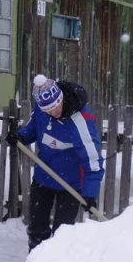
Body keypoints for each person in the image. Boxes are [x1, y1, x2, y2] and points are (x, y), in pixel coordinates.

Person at [6, 74, 105, 252]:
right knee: (37, 228)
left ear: (62, 98)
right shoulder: (42, 110)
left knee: (62, 235)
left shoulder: (81, 122)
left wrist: (90, 194)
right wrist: (20, 136)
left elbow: (93, 161)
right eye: (48, 110)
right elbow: (34, 129)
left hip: (71, 185)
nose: (53, 113)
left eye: (55, 107)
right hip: (43, 178)